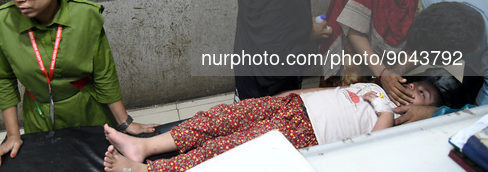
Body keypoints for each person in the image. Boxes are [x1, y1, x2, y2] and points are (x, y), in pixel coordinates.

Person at [0, 0, 156, 170]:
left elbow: (104, 74)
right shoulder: (1, 23)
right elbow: (3, 79)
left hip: (87, 111)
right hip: (38, 116)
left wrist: (124, 122)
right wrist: (13, 135)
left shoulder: (85, 16)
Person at [102, 76, 450, 172]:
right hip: (292, 105)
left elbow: (374, 143)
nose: (417, 92)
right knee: (218, 118)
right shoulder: (377, 86)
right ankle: (145, 145)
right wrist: (291, 93)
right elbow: (335, 91)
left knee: (226, 149)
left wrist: (384, 109)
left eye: (425, 96)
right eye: (419, 86)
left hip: (307, 132)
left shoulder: (389, 113)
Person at [389, 0, 488, 124]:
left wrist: (436, 114)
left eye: (423, 93)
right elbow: (423, 44)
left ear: (472, 52)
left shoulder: (485, 55)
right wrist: (394, 72)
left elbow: (477, 117)